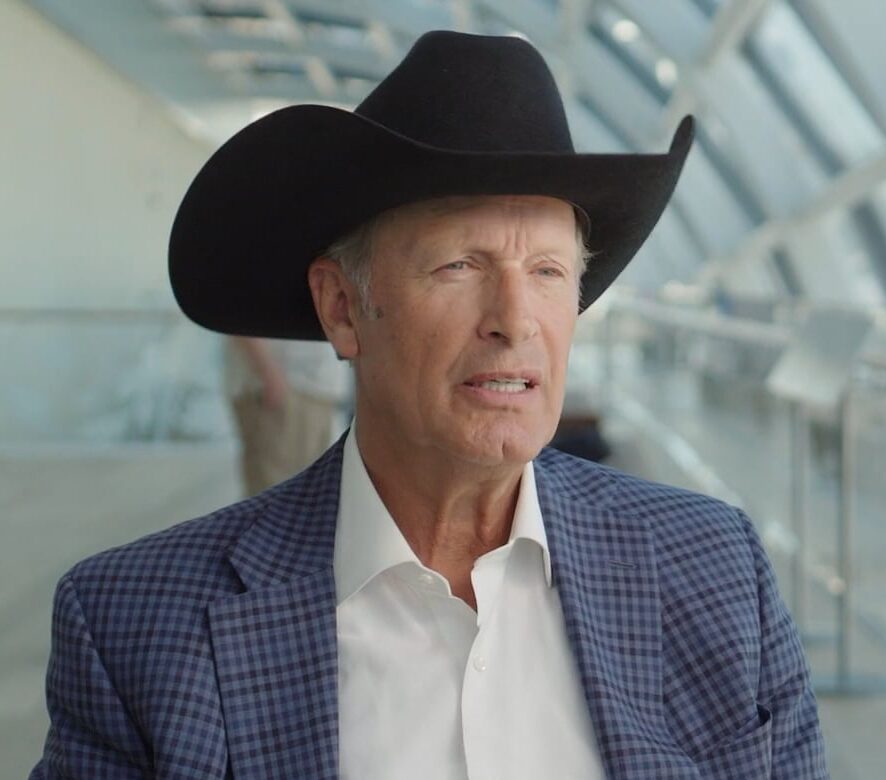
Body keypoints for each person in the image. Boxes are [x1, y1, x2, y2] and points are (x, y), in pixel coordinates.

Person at [31, 31, 828, 779]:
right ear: (343, 308)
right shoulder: (138, 627)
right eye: (459, 265)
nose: (515, 321)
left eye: (548, 272)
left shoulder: (716, 568)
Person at [225, 335, 349, 495]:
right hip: (285, 387)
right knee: (276, 493)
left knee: (311, 494)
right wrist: (268, 373)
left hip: (317, 389)